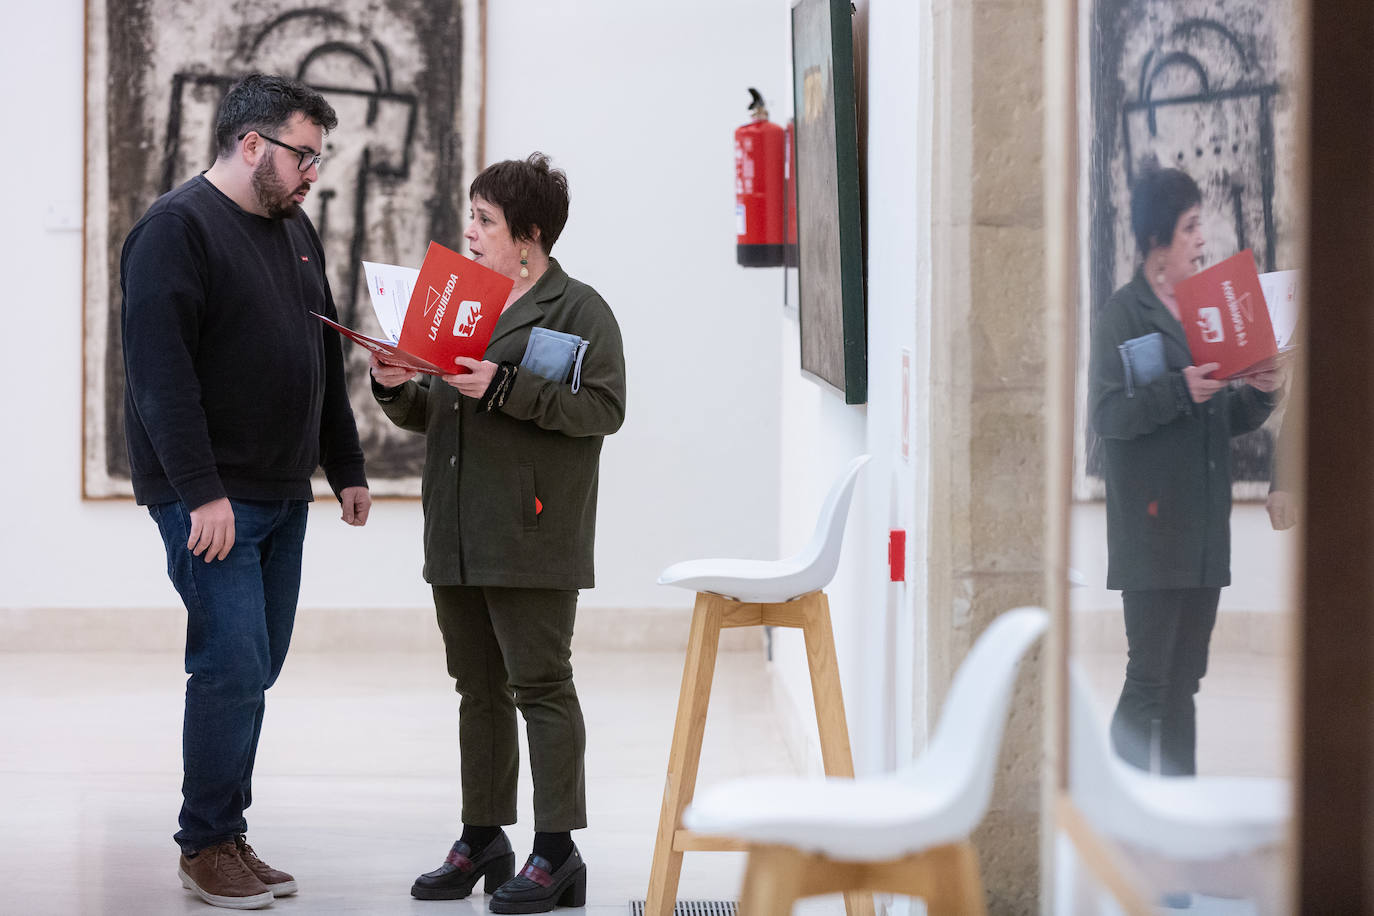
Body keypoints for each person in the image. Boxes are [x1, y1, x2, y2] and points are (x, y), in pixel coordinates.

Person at [121, 73, 371, 910]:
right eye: (304, 155)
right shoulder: (174, 231)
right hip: (211, 497)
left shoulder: (295, 230)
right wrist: (200, 494)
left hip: (281, 490)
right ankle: (202, 845)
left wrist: (347, 468)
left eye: (318, 159)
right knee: (228, 663)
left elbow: (322, 358)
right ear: (252, 144)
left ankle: (228, 833)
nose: (312, 174)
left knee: (258, 667)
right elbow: (160, 380)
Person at [370, 152, 626, 913]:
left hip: (530, 534)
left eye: (484, 220)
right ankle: (482, 836)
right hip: (455, 530)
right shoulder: (465, 305)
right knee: (476, 690)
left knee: (541, 687)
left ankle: (557, 853)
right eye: (471, 217)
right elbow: (440, 413)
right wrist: (397, 388)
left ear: (529, 236)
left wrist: (507, 386)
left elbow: (604, 411)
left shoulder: (581, 310)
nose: (470, 232)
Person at [1089, 164, 1280, 777]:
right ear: (1156, 242)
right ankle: (1116, 812)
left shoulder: (1206, 314)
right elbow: (1107, 416)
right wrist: (1179, 392)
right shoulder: (1123, 316)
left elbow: (1221, 416)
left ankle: (1177, 817)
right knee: (1148, 679)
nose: (1202, 239)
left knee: (1184, 684)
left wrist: (1263, 392)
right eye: (1191, 227)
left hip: (1202, 537)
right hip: (1151, 534)